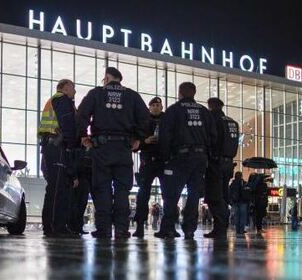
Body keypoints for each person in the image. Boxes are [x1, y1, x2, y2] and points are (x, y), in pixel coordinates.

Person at [77, 67, 150, 239]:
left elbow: (81, 114)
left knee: (102, 188)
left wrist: (83, 135)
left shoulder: (97, 93)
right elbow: (145, 118)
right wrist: (138, 138)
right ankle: (121, 229)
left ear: (107, 77)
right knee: (122, 191)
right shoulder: (132, 95)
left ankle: (103, 229)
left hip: (101, 148)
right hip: (124, 149)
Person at [155, 82, 216, 239]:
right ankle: (189, 229)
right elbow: (213, 137)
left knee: (172, 194)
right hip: (200, 158)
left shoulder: (174, 110)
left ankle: (168, 228)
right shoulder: (204, 112)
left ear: (180, 93)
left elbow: (165, 136)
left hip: (179, 158)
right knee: (194, 194)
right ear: (194, 93)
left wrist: (165, 158)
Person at [39, 79, 79, 238]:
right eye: (73, 87)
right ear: (65, 87)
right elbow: (68, 124)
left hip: (52, 146)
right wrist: (70, 145)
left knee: (56, 188)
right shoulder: (62, 100)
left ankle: (54, 226)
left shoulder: (55, 101)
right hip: (57, 146)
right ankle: (56, 228)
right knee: (57, 189)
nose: (74, 91)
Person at [203, 98, 239, 239]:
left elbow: (211, 139)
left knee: (214, 196)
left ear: (211, 106)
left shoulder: (213, 119)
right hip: (228, 163)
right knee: (223, 195)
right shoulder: (232, 122)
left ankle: (220, 226)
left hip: (215, 162)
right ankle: (222, 225)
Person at [133, 97, 165, 238]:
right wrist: (144, 141)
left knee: (169, 195)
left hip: (164, 161)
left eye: (158, 105)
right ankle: (140, 225)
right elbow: (134, 142)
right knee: (143, 194)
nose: (156, 107)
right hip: (148, 161)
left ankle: (168, 226)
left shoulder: (167, 120)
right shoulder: (143, 120)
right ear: (149, 107)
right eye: (154, 105)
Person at [68, 146, 93, 234]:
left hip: (85, 180)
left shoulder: (89, 151)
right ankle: (73, 227)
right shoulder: (77, 150)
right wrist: (74, 177)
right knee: (76, 204)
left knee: (82, 204)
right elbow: (73, 164)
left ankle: (78, 227)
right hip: (78, 180)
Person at [229, 171, 250, 236]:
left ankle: (237, 230)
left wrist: (231, 201)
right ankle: (241, 230)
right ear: (241, 176)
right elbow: (247, 192)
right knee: (242, 217)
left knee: (236, 216)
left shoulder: (232, 184)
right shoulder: (244, 183)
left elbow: (229, 193)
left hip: (235, 202)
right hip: (243, 202)